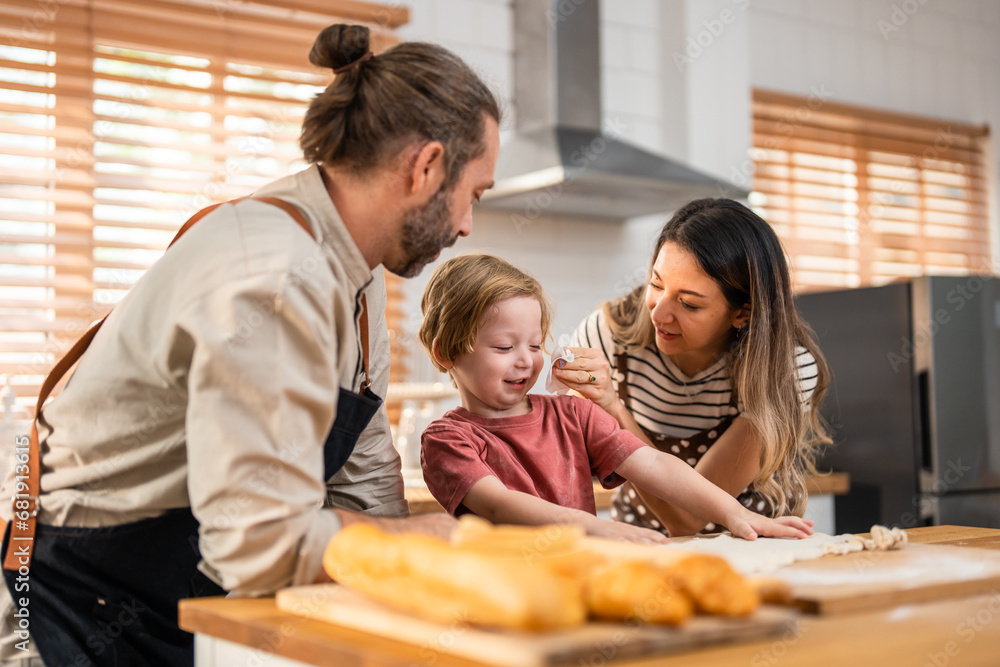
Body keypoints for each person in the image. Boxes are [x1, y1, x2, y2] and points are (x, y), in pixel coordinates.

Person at [0, 24, 501, 667]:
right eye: (473, 195)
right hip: (67, 616)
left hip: (173, 612)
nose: (466, 224)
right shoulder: (273, 274)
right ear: (426, 165)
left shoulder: (356, 272)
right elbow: (258, 542)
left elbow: (364, 471)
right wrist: (425, 542)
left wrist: (406, 570)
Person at [417, 254, 815, 544]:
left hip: (586, 576)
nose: (526, 360)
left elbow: (654, 463)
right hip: (507, 591)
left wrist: (736, 513)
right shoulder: (447, 441)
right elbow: (500, 505)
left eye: (536, 344)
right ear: (446, 353)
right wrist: (598, 528)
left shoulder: (573, 413)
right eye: (504, 347)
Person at [552, 198, 832, 537]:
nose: (658, 314)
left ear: (744, 313)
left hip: (751, 548)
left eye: (688, 304)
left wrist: (613, 408)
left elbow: (687, 519)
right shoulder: (606, 335)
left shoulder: (786, 368)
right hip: (644, 545)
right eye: (656, 285)